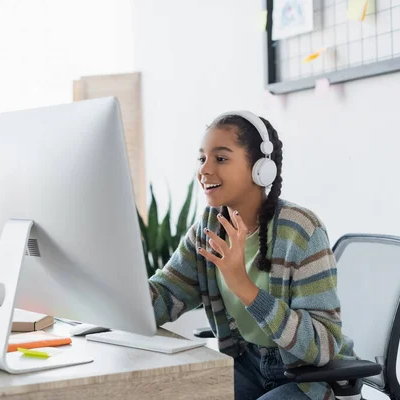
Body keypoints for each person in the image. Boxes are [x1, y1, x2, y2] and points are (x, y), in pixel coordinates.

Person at [149, 111, 356, 400]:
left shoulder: (301, 231)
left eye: (220, 159)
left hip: (309, 378)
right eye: (202, 159)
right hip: (247, 365)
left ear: (261, 169)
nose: (204, 171)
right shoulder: (209, 228)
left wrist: (244, 287)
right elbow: (164, 299)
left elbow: (324, 344)